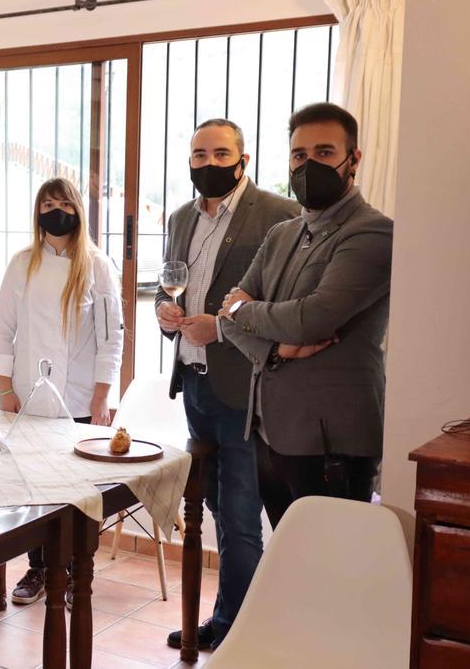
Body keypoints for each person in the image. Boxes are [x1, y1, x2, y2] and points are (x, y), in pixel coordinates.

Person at [156, 119, 299, 651]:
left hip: (248, 390)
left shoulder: (279, 215)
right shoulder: (178, 218)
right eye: (198, 155)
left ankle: (239, 632)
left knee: (239, 517)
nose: (208, 164)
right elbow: (166, 287)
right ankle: (231, 617)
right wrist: (165, 312)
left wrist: (220, 326)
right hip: (193, 386)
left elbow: (282, 309)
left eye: (220, 154)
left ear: (243, 158)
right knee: (215, 510)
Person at [220, 102, 392, 517]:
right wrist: (277, 348)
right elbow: (228, 318)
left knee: (333, 574)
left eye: (325, 153)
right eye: (299, 155)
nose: (308, 164)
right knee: (293, 566)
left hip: (332, 444)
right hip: (270, 432)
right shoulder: (284, 232)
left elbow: (312, 318)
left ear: (354, 159)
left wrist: (245, 311)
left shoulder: (373, 231)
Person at [0, 177, 123, 606]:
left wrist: (102, 395)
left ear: (78, 209)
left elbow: (111, 338)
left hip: (81, 396)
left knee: (79, 490)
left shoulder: (98, 266)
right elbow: (1, 330)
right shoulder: (22, 263)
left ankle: (77, 570)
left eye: (64, 202)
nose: (56, 210)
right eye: (47, 203)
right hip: (28, 396)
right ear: (37, 212)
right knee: (34, 489)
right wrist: (5, 389)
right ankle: (39, 568)